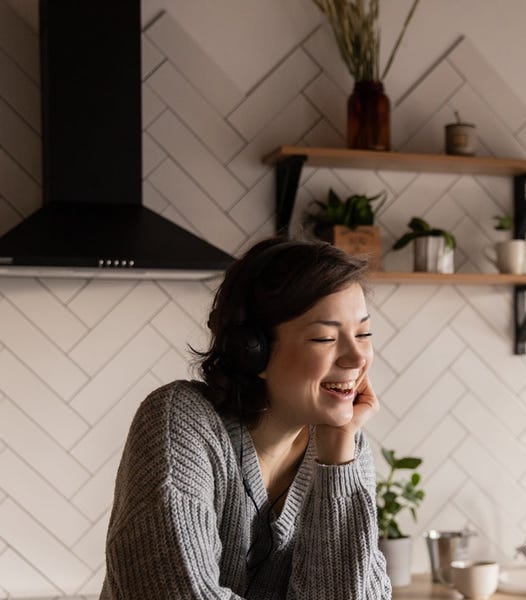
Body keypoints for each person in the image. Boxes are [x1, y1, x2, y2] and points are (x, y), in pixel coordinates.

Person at [99, 237, 392, 599]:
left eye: (363, 333)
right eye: (325, 338)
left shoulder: (344, 445)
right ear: (253, 351)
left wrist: (339, 454)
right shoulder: (180, 421)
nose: (356, 357)